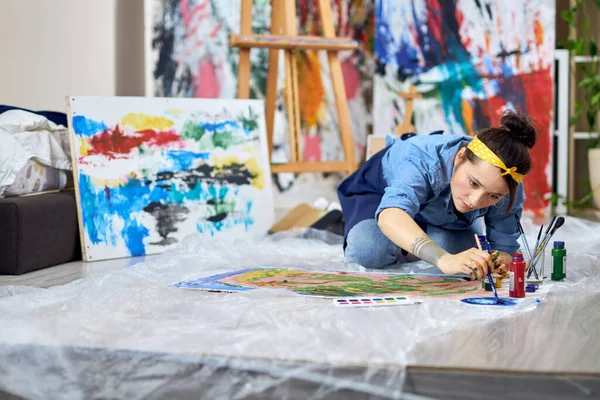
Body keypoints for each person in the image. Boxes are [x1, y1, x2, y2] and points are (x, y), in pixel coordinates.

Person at [337, 109, 537, 280]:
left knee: (466, 259)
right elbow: (391, 214)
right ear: (460, 157)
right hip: (382, 197)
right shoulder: (419, 159)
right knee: (369, 250)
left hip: (441, 213)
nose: (475, 201)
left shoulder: (507, 183)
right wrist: (443, 259)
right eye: (473, 183)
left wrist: (500, 260)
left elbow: (504, 246)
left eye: (493, 196)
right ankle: (406, 238)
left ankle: (419, 237)